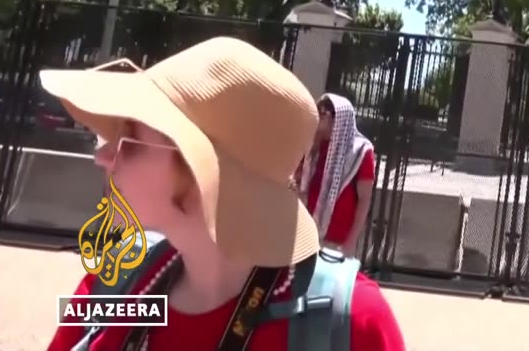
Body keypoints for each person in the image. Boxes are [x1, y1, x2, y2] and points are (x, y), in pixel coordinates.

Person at [43, 37, 405, 350]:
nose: (102, 157)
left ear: (207, 173)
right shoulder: (112, 281)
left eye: (130, 139)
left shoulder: (351, 322)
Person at [298, 93, 376, 257]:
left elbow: (364, 200)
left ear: (338, 118)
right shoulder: (313, 146)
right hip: (305, 235)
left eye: (322, 113)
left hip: (336, 243)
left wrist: (351, 240)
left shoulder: (360, 152)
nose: (317, 117)